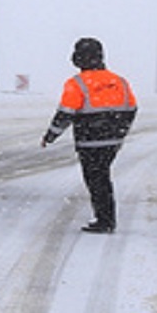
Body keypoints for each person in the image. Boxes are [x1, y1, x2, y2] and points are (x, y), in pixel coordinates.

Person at [41, 38, 138, 233]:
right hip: (112, 141)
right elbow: (132, 108)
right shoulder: (119, 81)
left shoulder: (76, 83)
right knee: (103, 177)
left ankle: (105, 220)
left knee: (96, 179)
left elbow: (65, 114)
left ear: (77, 59)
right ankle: (106, 218)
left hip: (89, 142)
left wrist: (51, 136)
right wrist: (120, 132)